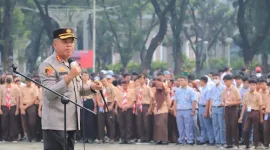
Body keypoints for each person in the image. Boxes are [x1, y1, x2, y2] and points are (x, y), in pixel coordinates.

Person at [38, 28, 102, 150]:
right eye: (65, 42)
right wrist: (70, 76)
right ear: (55, 44)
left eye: (71, 42)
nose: (69, 46)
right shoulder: (48, 65)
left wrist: (92, 87)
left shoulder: (72, 64)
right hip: (55, 124)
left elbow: (77, 90)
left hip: (72, 122)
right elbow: (49, 93)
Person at [238, 79, 263, 149]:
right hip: (248, 113)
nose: (252, 86)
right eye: (251, 85)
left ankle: (256, 145)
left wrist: (261, 117)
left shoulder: (258, 95)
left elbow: (260, 106)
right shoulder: (246, 94)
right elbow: (244, 106)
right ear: (249, 85)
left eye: (254, 85)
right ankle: (247, 145)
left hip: (255, 112)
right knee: (245, 129)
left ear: (256, 86)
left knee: (255, 129)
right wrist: (241, 116)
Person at [173, 76, 197, 145]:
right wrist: (175, 111)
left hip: (187, 110)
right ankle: (181, 139)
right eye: (179, 80)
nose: (180, 82)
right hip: (179, 110)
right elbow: (175, 101)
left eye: (182, 80)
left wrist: (193, 110)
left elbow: (194, 101)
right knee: (180, 126)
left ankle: (190, 140)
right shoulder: (178, 90)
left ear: (186, 81)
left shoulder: (191, 90)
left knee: (188, 126)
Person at [222, 74, 241, 149]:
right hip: (226, 109)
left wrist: (231, 103)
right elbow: (223, 100)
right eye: (224, 81)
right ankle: (229, 143)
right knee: (227, 126)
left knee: (234, 126)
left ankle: (236, 144)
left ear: (231, 81)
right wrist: (223, 103)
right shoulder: (224, 90)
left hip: (233, 109)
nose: (225, 83)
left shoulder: (235, 89)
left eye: (226, 81)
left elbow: (239, 101)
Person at [0, 74, 20, 142]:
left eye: (10, 78)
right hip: (4, 106)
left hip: (13, 106)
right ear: (5, 79)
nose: (8, 79)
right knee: (4, 123)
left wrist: (17, 109)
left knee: (13, 122)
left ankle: (14, 137)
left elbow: (17, 99)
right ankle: (5, 137)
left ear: (12, 79)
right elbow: (0, 98)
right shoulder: (1, 87)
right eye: (7, 78)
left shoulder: (16, 87)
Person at [209, 73, 226, 148]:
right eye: (213, 78)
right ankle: (217, 141)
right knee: (215, 125)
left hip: (220, 108)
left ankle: (223, 141)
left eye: (216, 78)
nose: (215, 79)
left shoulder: (223, 87)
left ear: (219, 78)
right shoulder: (212, 88)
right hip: (214, 108)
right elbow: (211, 99)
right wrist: (210, 109)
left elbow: (225, 98)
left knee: (221, 125)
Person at [20, 78, 38, 142]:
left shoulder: (34, 88)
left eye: (29, 82)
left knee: (32, 122)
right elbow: (20, 98)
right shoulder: (22, 88)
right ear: (25, 82)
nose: (28, 83)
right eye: (27, 82)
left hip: (31, 106)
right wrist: (22, 108)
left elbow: (34, 99)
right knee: (25, 123)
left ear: (31, 81)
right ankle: (29, 137)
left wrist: (26, 106)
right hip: (23, 105)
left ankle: (34, 136)